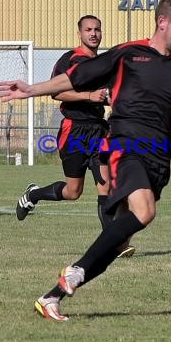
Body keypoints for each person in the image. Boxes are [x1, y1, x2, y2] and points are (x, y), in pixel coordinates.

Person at [0, 0, 171, 321]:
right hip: (124, 146)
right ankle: (72, 272)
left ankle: (54, 295)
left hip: (158, 156)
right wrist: (31, 89)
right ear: (162, 22)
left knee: (117, 240)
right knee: (145, 211)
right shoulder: (129, 53)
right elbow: (75, 77)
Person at [13, 15, 135, 257]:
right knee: (73, 191)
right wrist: (88, 96)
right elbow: (56, 93)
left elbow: (110, 94)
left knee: (106, 185)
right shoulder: (70, 59)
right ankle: (33, 194)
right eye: (88, 29)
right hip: (74, 130)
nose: (94, 34)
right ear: (79, 33)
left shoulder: (104, 63)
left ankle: (112, 245)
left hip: (99, 130)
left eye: (97, 29)